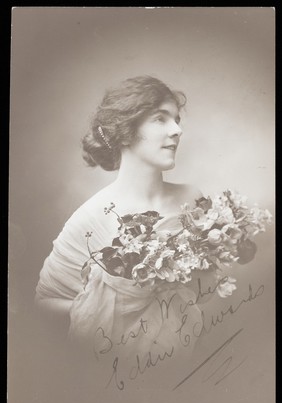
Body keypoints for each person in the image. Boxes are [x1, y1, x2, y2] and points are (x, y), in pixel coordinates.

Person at [34, 76, 254, 383]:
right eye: (160, 119)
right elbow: (45, 301)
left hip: (186, 361)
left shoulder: (192, 198)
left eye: (176, 120)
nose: (177, 130)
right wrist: (104, 309)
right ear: (126, 131)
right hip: (117, 373)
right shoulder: (92, 217)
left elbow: (200, 287)